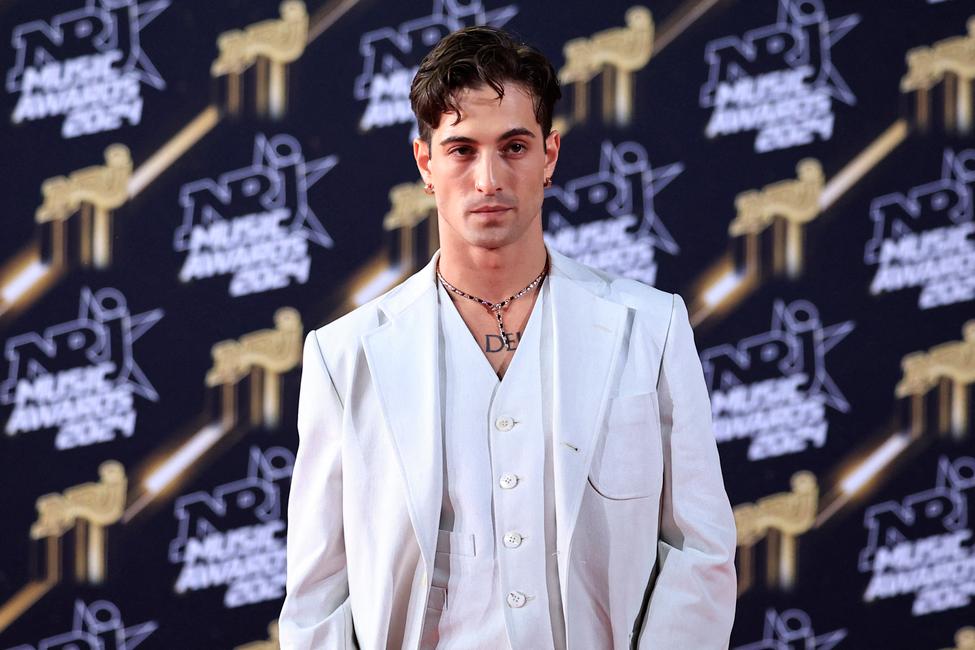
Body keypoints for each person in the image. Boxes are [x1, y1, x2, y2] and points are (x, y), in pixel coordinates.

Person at [280, 25, 737, 650]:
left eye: (514, 147)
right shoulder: (345, 355)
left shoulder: (649, 328)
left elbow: (700, 548)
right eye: (462, 149)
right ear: (426, 164)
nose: (488, 178)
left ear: (549, 157)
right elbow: (318, 597)